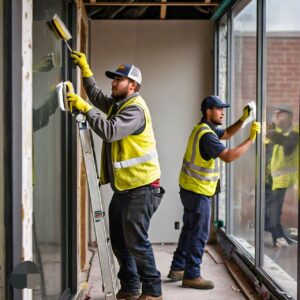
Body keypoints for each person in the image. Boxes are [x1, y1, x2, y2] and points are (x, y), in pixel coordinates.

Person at [68, 51, 165, 300]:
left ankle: (153, 292)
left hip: (143, 188)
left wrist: (83, 107)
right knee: (120, 242)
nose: (113, 82)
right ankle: (131, 286)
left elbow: (110, 131)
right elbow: (99, 97)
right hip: (126, 188)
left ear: (132, 85)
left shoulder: (135, 110)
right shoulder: (119, 105)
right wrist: (86, 72)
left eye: (118, 79)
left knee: (137, 242)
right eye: (113, 79)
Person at [168, 95, 261, 289]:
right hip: (198, 192)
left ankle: (178, 268)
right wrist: (251, 139)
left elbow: (226, 133)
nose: (222, 112)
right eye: (219, 109)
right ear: (208, 111)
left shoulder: (203, 129)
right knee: (199, 233)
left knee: (189, 229)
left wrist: (243, 119)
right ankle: (192, 275)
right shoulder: (207, 136)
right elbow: (227, 156)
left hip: (189, 189)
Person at [265, 104, 298, 248]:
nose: (277, 116)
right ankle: (278, 233)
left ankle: (278, 235)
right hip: (270, 178)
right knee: (269, 208)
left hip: (286, 179)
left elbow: (288, 142)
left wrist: (271, 131)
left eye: (281, 113)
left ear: (290, 116)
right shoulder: (274, 131)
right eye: (275, 113)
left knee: (274, 208)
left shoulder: (295, 132)